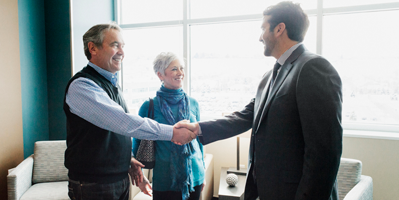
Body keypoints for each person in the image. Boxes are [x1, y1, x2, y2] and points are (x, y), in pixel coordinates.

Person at [176, 2, 343, 200]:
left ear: (279, 28)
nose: (260, 37)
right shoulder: (269, 76)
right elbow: (245, 116)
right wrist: (198, 128)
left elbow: (324, 153)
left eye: (263, 28)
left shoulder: (313, 67)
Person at [63, 23, 196, 200]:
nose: (121, 52)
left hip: (118, 180)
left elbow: (116, 133)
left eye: (122, 46)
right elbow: (123, 123)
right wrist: (171, 132)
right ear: (92, 48)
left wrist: (129, 160)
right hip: (93, 185)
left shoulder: (113, 85)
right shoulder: (82, 86)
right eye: (115, 45)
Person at [132, 52, 205, 200]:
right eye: (174, 69)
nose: (180, 73)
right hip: (164, 180)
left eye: (181, 68)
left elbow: (200, 141)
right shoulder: (149, 106)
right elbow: (137, 145)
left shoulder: (193, 103)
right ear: (160, 75)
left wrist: (202, 171)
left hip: (194, 176)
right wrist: (140, 178)